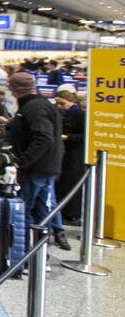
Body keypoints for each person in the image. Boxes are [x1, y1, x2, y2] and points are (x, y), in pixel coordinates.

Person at [3, 72, 69, 250]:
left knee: (27, 211)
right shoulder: (38, 105)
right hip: (44, 167)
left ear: (15, 89)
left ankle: (26, 252)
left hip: (35, 169)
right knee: (42, 211)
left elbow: (43, 137)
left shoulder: (33, 108)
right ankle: (39, 253)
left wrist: (22, 161)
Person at [54, 90, 86, 226]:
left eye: (63, 103)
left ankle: (72, 213)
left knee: (72, 182)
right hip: (65, 153)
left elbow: (85, 136)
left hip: (75, 154)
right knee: (64, 182)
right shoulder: (63, 114)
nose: (60, 106)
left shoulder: (80, 114)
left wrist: (67, 137)